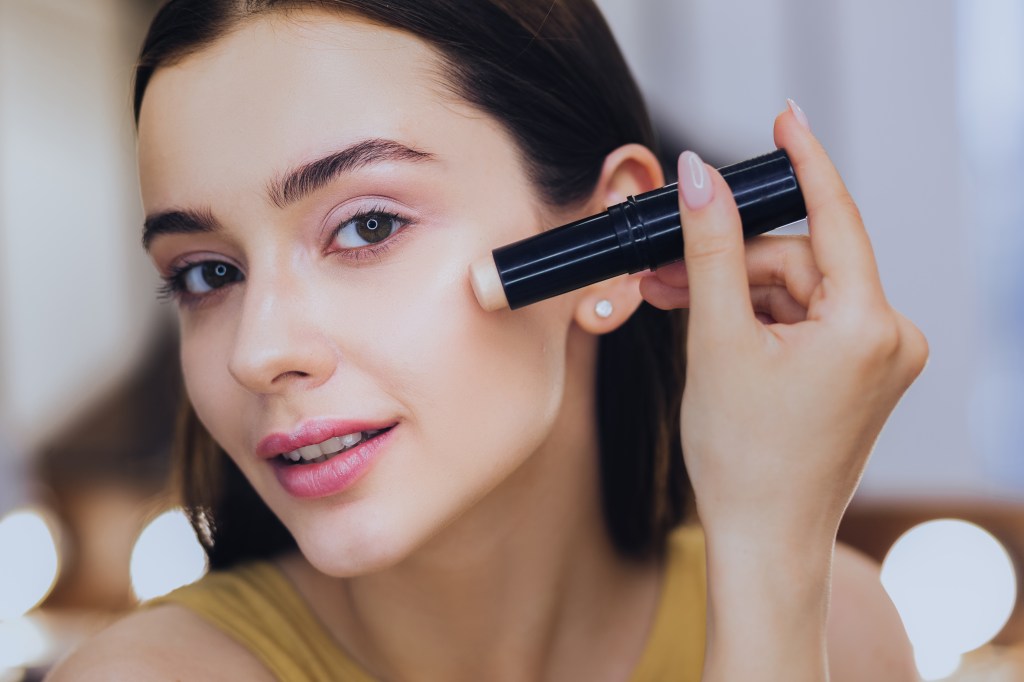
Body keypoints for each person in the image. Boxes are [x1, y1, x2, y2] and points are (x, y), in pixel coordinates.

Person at [49, 1, 928, 680]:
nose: (257, 351)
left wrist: (772, 554)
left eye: (367, 227)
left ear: (611, 240)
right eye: (208, 273)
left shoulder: (839, 624)